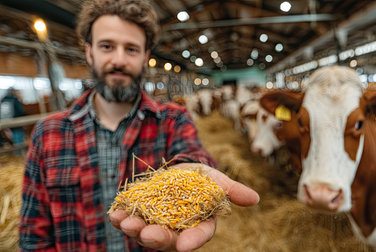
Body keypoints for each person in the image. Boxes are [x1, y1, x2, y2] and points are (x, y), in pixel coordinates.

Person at [19, 0, 260, 251]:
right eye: (107, 46)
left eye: (131, 49)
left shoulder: (173, 118)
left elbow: (193, 153)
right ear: (89, 52)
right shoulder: (48, 132)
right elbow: (33, 234)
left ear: (146, 56)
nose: (119, 60)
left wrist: (194, 172)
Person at [1, 88, 26, 152]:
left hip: (6, 123)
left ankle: (15, 153)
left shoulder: (3, 100)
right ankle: (19, 153)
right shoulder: (15, 100)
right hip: (16, 123)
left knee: (12, 139)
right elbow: (20, 111)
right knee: (18, 139)